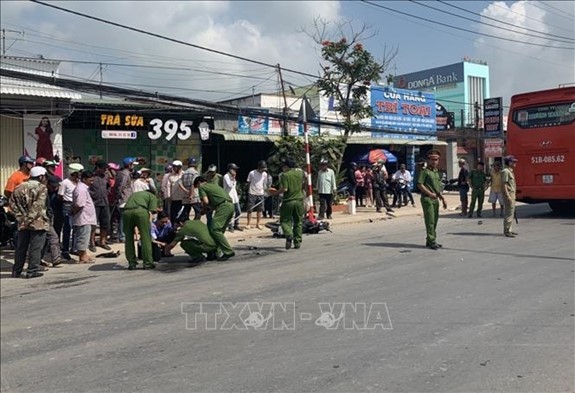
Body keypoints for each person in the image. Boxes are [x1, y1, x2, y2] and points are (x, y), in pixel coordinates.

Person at [9, 166, 50, 278]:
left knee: (21, 248)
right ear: (41, 177)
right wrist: (28, 220)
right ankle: (32, 270)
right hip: (38, 223)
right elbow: (38, 206)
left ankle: (16, 271)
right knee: (35, 248)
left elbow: (12, 204)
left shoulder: (19, 187)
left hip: (22, 223)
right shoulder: (42, 188)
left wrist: (21, 219)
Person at [194, 176, 235, 261]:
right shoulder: (214, 185)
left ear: (198, 183)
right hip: (230, 206)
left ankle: (228, 251)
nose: (197, 189)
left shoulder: (202, 187)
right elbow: (214, 202)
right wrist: (205, 210)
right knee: (220, 231)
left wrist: (203, 209)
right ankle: (217, 252)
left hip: (223, 207)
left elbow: (206, 201)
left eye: (196, 186)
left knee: (214, 229)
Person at [417, 149, 447, 250]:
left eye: (437, 160)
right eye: (433, 159)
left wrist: (442, 198)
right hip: (427, 199)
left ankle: (430, 240)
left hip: (435, 199)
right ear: (428, 160)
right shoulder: (425, 171)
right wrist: (429, 194)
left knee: (435, 220)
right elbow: (420, 184)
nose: (435, 162)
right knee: (430, 221)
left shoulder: (435, 172)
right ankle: (432, 240)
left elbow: (436, 187)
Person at [274, 157, 305, 250]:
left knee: (284, 220)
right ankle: (297, 242)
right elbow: (305, 180)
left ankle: (289, 234)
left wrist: (275, 193)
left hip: (288, 201)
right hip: (299, 200)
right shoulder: (300, 173)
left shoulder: (285, 175)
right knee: (298, 222)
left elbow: (285, 189)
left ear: (287, 166)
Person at [123, 190, 158, 270]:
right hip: (141, 212)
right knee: (145, 237)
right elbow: (153, 213)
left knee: (128, 239)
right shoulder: (151, 196)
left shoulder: (135, 194)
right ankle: (148, 263)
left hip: (126, 212)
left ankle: (131, 263)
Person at [58, 163, 84, 260]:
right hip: (67, 205)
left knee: (76, 228)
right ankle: (65, 250)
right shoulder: (65, 183)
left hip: (76, 206)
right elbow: (60, 196)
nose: (79, 175)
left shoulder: (79, 183)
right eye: (78, 173)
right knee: (67, 229)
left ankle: (74, 248)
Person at [72, 171, 97, 263]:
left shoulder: (83, 188)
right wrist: (74, 213)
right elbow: (79, 204)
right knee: (83, 237)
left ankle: (84, 254)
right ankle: (82, 257)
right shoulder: (81, 189)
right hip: (83, 218)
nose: (92, 182)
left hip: (86, 218)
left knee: (85, 237)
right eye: (90, 180)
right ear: (84, 179)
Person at [88, 160, 112, 252]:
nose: (105, 170)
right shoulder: (92, 176)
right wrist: (92, 195)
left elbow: (109, 186)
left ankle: (103, 241)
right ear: (98, 168)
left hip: (105, 203)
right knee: (93, 224)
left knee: (105, 223)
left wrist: (107, 192)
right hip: (94, 203)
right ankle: (92, 242)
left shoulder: (105, 176)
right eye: (104, 169)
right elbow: (87, 188)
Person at [113, 156, 137, 242]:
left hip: (127, 198)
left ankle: (123, 235)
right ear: (129, 165)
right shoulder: (124, 174)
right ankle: (122, 236)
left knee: (125, 219)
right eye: (132, 164)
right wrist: (118, 197)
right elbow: (120, 187)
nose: (134, 166)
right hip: (124, 199)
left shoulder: (127, 173)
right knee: (123, 219)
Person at [246, 160, 269, 230]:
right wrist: (249, 191)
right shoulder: (252, 173)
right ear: (259, 167)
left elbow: (264, 183)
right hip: (252, 193)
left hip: (260, 193)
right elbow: (248, 182)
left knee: (260, 209)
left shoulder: (265, 174)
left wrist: (266, 192)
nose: (263, 170)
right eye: (262, 168)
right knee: (250, 209)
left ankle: (258, 224)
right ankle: (248, 223)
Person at [177, 157, 200, 223]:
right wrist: (191, 195)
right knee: (198, 211)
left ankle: (185, 224)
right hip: (194, 196)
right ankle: (195, 225)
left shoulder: (184, 173)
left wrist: (185, 191)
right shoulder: (195, 173)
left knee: (186, 212)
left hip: (185, 196)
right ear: (195, 165)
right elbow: (193, 184)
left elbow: (180, 183)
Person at [223, 163, 243, 232]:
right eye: (234, 170)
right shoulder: (226, 176)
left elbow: (234, 187)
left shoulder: (232, 177)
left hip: (235, 197)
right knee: (231, 213)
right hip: (229, 197)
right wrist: (233, 177)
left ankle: (236, 224)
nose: (235, 171)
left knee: (238, 212)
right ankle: (230, 226)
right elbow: (230, 185)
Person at [501, 155, 518, 238]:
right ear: (509, 162)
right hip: (509, 194)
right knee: (509, 212)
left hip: (512, 193)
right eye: (513, 162)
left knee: (511, 212)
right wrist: (507, 195)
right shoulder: (505, 171)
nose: (515, 163)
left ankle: (509, 229)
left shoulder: (510, 171)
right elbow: (504, 184)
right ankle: (507, 231)